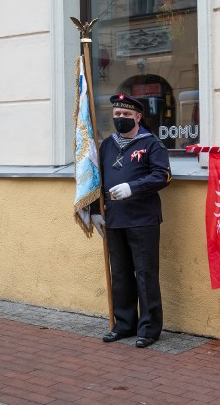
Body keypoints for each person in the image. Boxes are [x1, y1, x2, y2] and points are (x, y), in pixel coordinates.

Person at [91, 93, 171, 348]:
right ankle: (124, 324)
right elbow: (97, 179)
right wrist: (94, 210)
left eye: (126, 115)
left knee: (145, 274)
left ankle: (148, 329)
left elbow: (163, 176)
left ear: (138, 117)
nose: (121, 119)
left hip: (142, 219)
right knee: (121, 274)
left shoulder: (151, 144)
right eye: (117, 115)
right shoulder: (107, 145)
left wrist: (133, 188)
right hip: (114, 218)